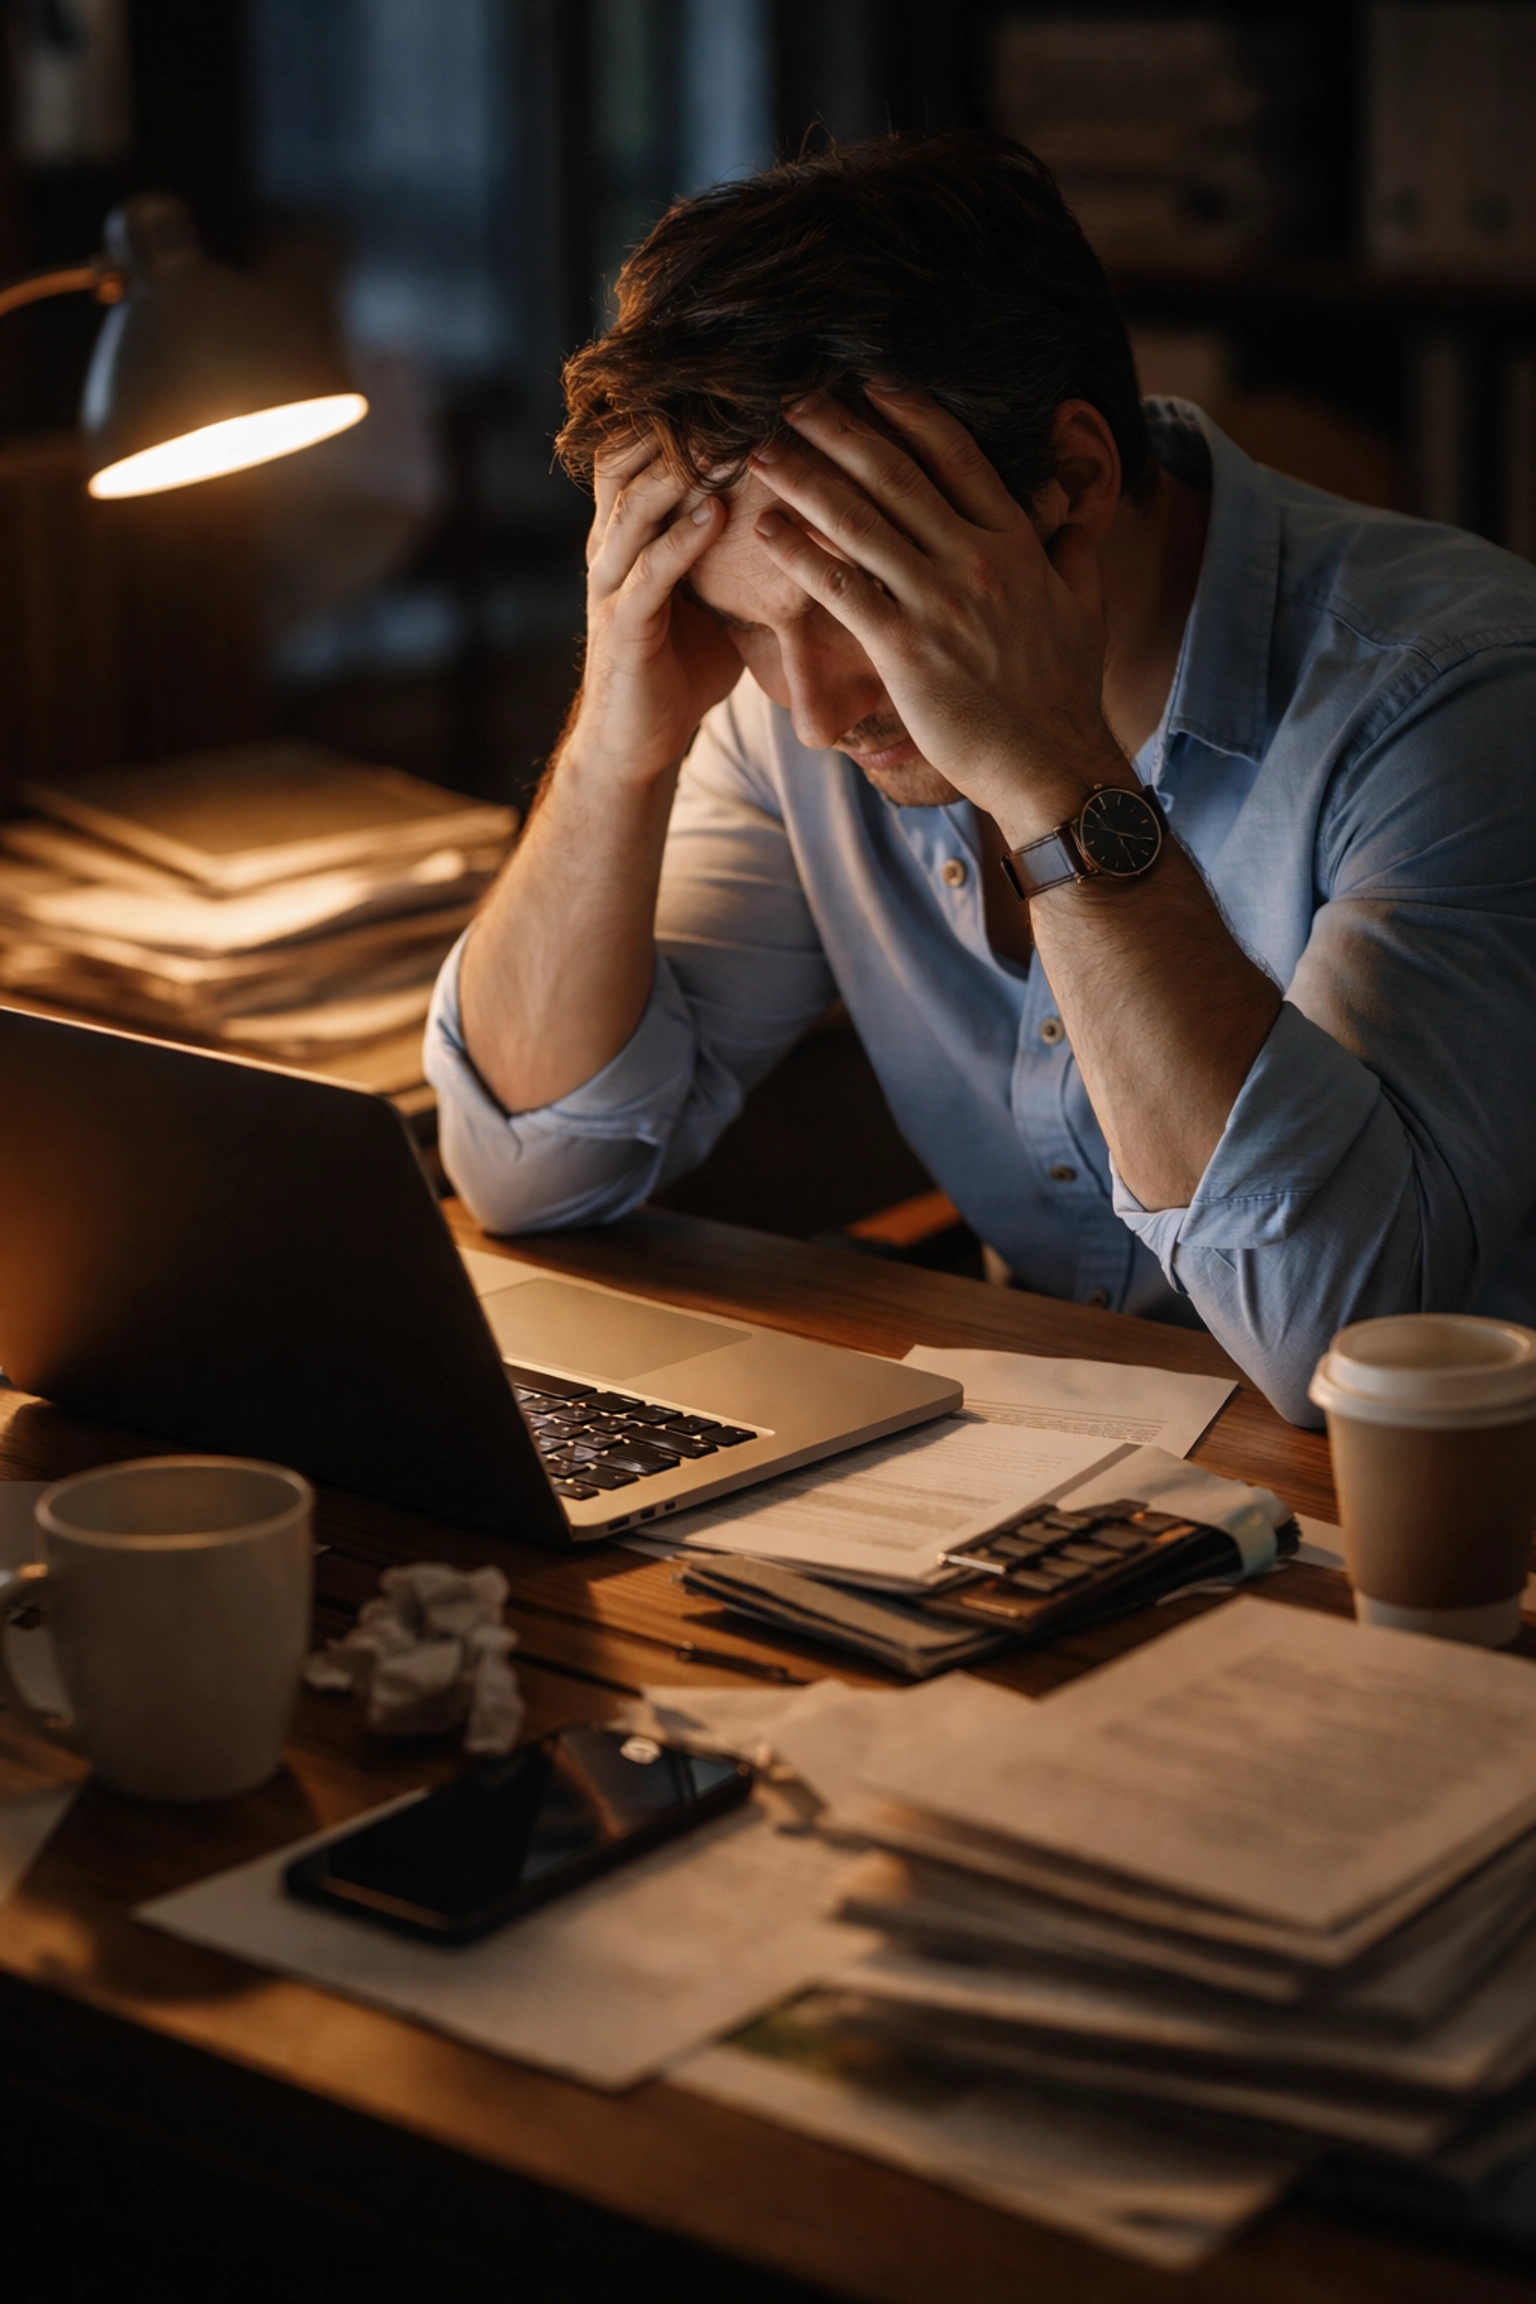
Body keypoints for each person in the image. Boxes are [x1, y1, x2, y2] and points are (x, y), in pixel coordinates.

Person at [425, 131, 1536, 1425]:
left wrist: (1055, 779)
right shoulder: (792, 697)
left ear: (1072, 485)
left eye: (865, 609)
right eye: (743, 625)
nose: (814, 705)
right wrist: (618, 745)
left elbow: (1332, 1335)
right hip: (1068, 1479)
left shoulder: (1458, 700)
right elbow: (527, 1167)